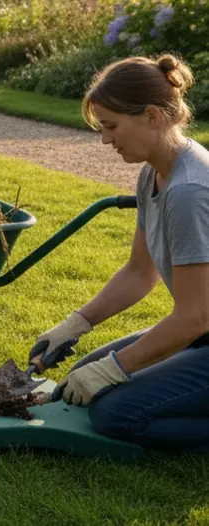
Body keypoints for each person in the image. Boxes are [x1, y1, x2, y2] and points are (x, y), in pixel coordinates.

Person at [31, 54, 209, 451]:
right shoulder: (154, 173)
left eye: (111, 126)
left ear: (151, 116)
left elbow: (196, 316)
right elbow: (138, 273)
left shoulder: (189, 192)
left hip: (201, 330)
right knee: (84, 378)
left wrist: (115, 368)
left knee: (115, 413)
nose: (105, 139)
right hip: (202, 337)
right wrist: (75, 324)